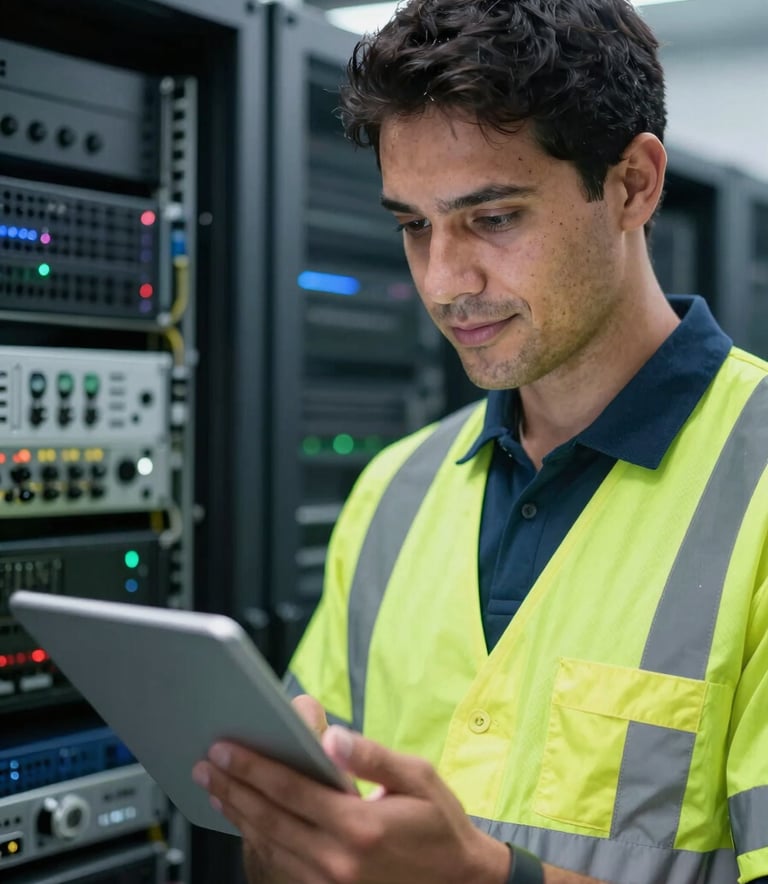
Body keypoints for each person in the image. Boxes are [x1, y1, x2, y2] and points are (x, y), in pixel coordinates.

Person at [192, 0, 768, 881]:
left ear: (632, 185)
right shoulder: (393, 490)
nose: (444, 280)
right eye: (414, 226)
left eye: (493, 218)